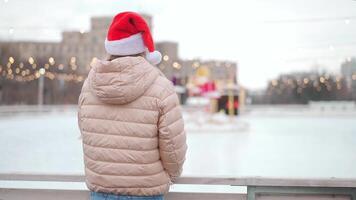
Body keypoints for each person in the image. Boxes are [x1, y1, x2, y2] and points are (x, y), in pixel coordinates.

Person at [77, 12, 187, 200]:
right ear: (143, 48)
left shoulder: (90, 85)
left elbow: (86, 133)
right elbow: (173, 147)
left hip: (101, 191)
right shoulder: (161, 88)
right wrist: (172, 175)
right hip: (145, 191)